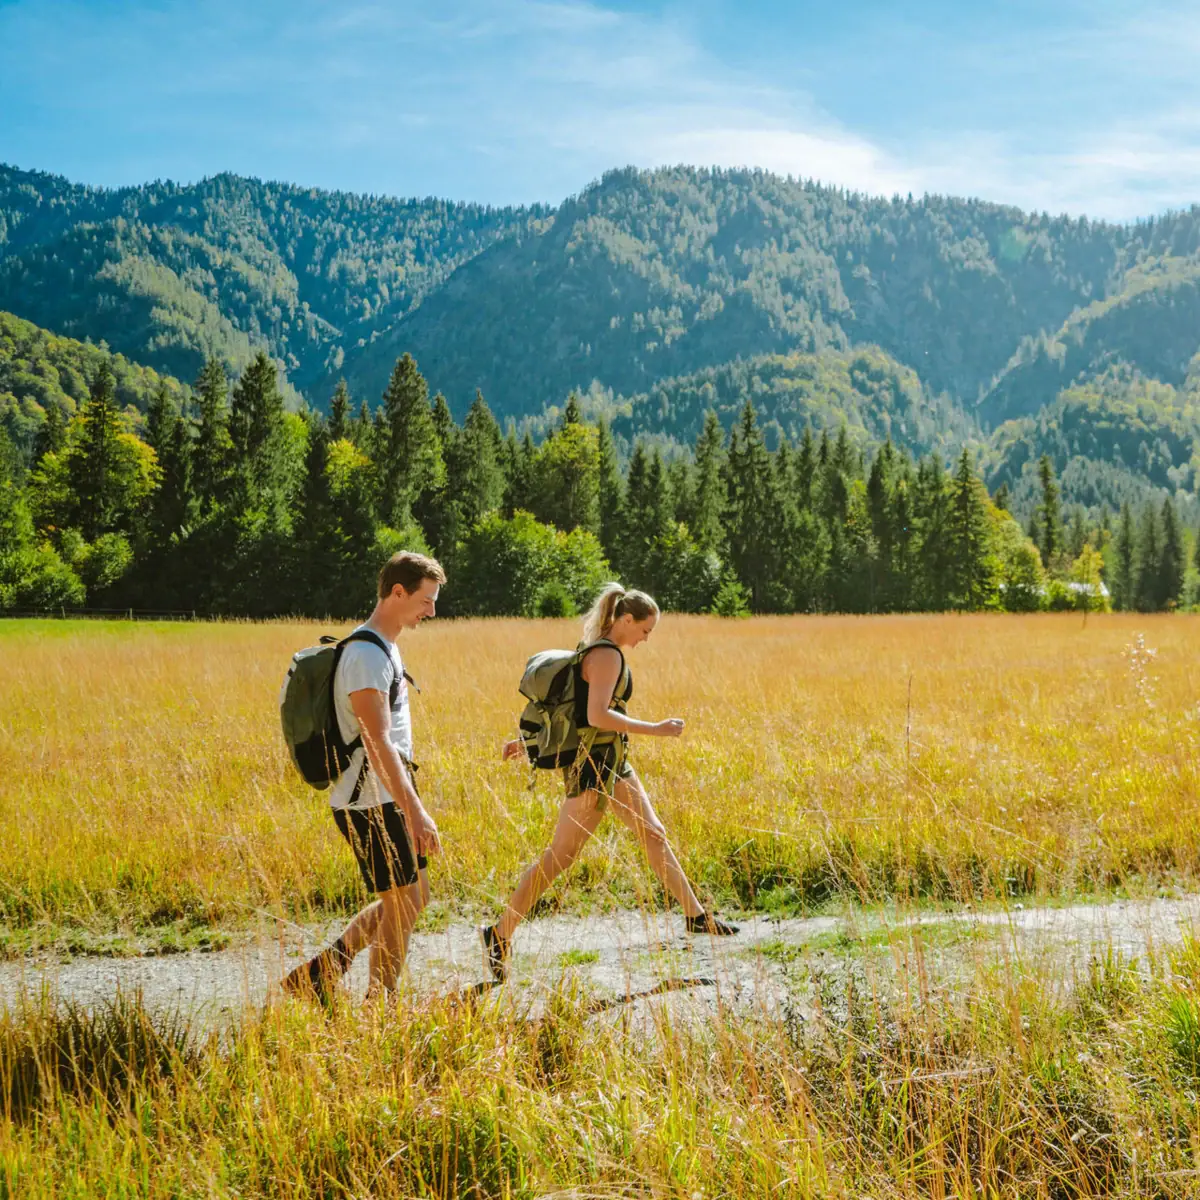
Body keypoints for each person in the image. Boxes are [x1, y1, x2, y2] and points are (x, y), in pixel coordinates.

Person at [480, 583, 738, 980]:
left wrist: (523, 742)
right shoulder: (606, 656)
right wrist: (656, 728)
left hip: (612, 762)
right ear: (626, 619)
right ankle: (499, 933)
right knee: (560, 856)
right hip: (594, 767)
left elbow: (574, 712)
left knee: (654, 833)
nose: (646, 639)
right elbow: (597, 716)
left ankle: (696, 916)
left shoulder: (597, 650)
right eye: (645, 630)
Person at [283, 551, 445, 1002]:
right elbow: (377, 742)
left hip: (387, 795)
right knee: (402, 904)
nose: (431, 611)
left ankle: (322, 971)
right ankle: (380, 1007)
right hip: (370, 801)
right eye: (426, 601)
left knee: (415, 896)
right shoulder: (366, 655)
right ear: (398, 592)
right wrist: (415, 811)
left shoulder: (384, 646)